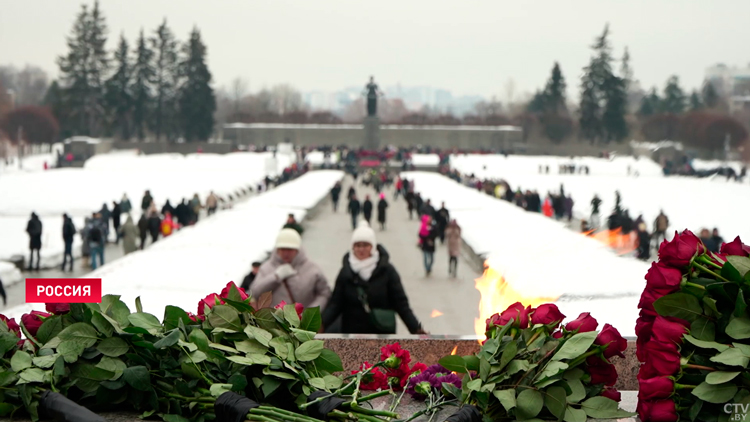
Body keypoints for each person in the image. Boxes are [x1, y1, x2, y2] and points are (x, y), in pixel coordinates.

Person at [322, 221, 426, 334]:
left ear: (372, 246)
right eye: (357, 245)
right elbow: (335, 305)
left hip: (382, 335)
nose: (361, 249)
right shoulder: (346, 273)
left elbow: (401, 305)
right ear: (353, 247)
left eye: (365, 245)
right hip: (352, 335)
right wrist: (320, 326)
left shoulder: (387, 271)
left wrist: (416, 329)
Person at [250, 228, 331, 309]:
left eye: (290, 249)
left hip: (304, 320)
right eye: (283, 249)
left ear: (297, 249)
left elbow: (324, 293)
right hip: (275, 320)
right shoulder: (266, 268)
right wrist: (275, 277)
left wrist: (310, 313)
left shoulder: (312, 268)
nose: (286, 253)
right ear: (277, 249)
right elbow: (255, 293)